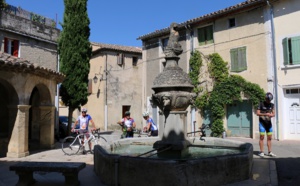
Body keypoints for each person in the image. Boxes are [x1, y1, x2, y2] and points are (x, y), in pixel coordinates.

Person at [256, 92, 276, 157]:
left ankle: (270, 152)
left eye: (270, 100)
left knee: (269, 138)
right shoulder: (261, 104)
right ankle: (261, 152)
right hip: (262, 123)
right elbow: (258, 113)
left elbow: (274, 114)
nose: (268, 101)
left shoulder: (272, 105)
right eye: (268, 99)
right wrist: (265, 114)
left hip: (269, 124)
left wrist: (271, 115)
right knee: (262, 137)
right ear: (265, 98)